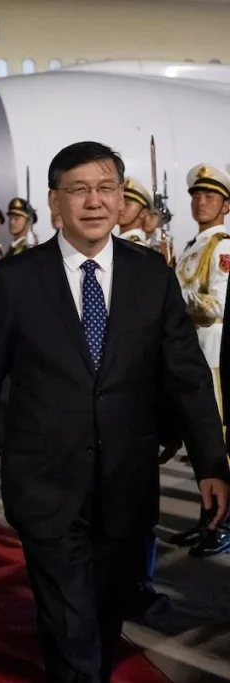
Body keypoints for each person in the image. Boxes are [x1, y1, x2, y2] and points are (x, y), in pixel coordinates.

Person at [0, 141, 230, 683]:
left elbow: (187, 376)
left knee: (105, 622)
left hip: (126, 483)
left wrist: (211, 463)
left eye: (106, 188)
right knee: (70, 627)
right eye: (79, 189)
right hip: (45, 485)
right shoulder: (17, 278)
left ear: (120, 196)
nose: (94, 201)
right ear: (54, 201)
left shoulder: (151, 275)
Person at [169, 163, 230, 557]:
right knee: (199, 443)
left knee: (218, 445)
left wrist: (174, 297)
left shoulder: (223, 247)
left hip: (214, 356)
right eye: (196, 195)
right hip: (194, 356)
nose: (200, 201)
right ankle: (207, 519)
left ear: (226, 205)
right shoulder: (193, 246)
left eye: (210, 196)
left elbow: (218, 305)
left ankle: (222, 525)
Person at [115, 177, 152, 245]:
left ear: (143, 213)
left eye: (127, 204)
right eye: (118, 202)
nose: (120, 208)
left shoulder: (136, 245)